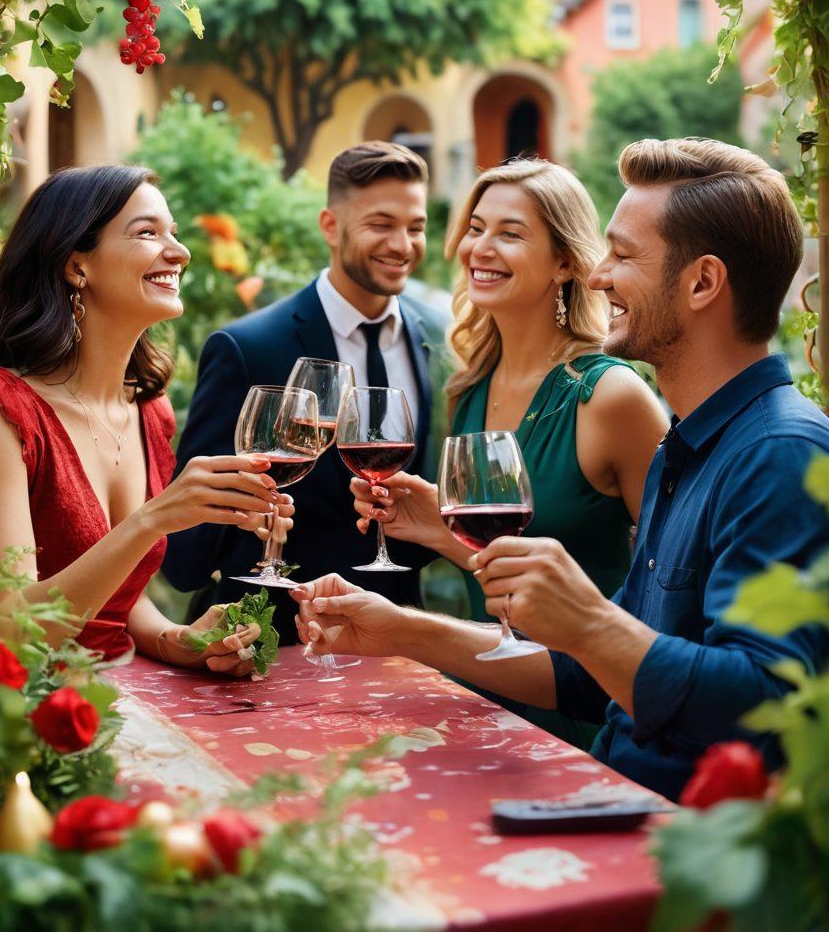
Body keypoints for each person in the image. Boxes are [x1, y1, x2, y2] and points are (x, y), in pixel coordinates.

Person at [294, 137, 829, 801]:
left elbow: (773, 709)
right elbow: (591, 672)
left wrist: (592, 621)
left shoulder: (781, 453)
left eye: (623, 256)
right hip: (608, 790)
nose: (599, 275)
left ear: (701, 283)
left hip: (670, 841)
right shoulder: (689, 448)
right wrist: (401, 630)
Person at [349, 158, 667, 746]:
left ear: (566, 263)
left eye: (510, 233)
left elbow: (669, 586)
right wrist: (436, 531)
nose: (480, 248)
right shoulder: (470, 386)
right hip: (487, 699)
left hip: (586, 716)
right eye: (475, 227)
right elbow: (504, 564)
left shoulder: (609, 396)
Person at [0, 165, 296, 675]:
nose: (180, 251)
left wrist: (180, 639)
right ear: (76, 265)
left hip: (126, 693)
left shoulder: (149, 409)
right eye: (148, 233)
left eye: (174, 232)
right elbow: (8, 633)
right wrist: (152, 520)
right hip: (29, 715)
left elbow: (115, 603)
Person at [162, 141, 443, 643]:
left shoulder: (435, 342)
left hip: (398, 649)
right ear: (330, 226)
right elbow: (186, 554)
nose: (403, 244)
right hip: (270, 643)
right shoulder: (247, 348)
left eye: (416, 227)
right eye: (381, 224)